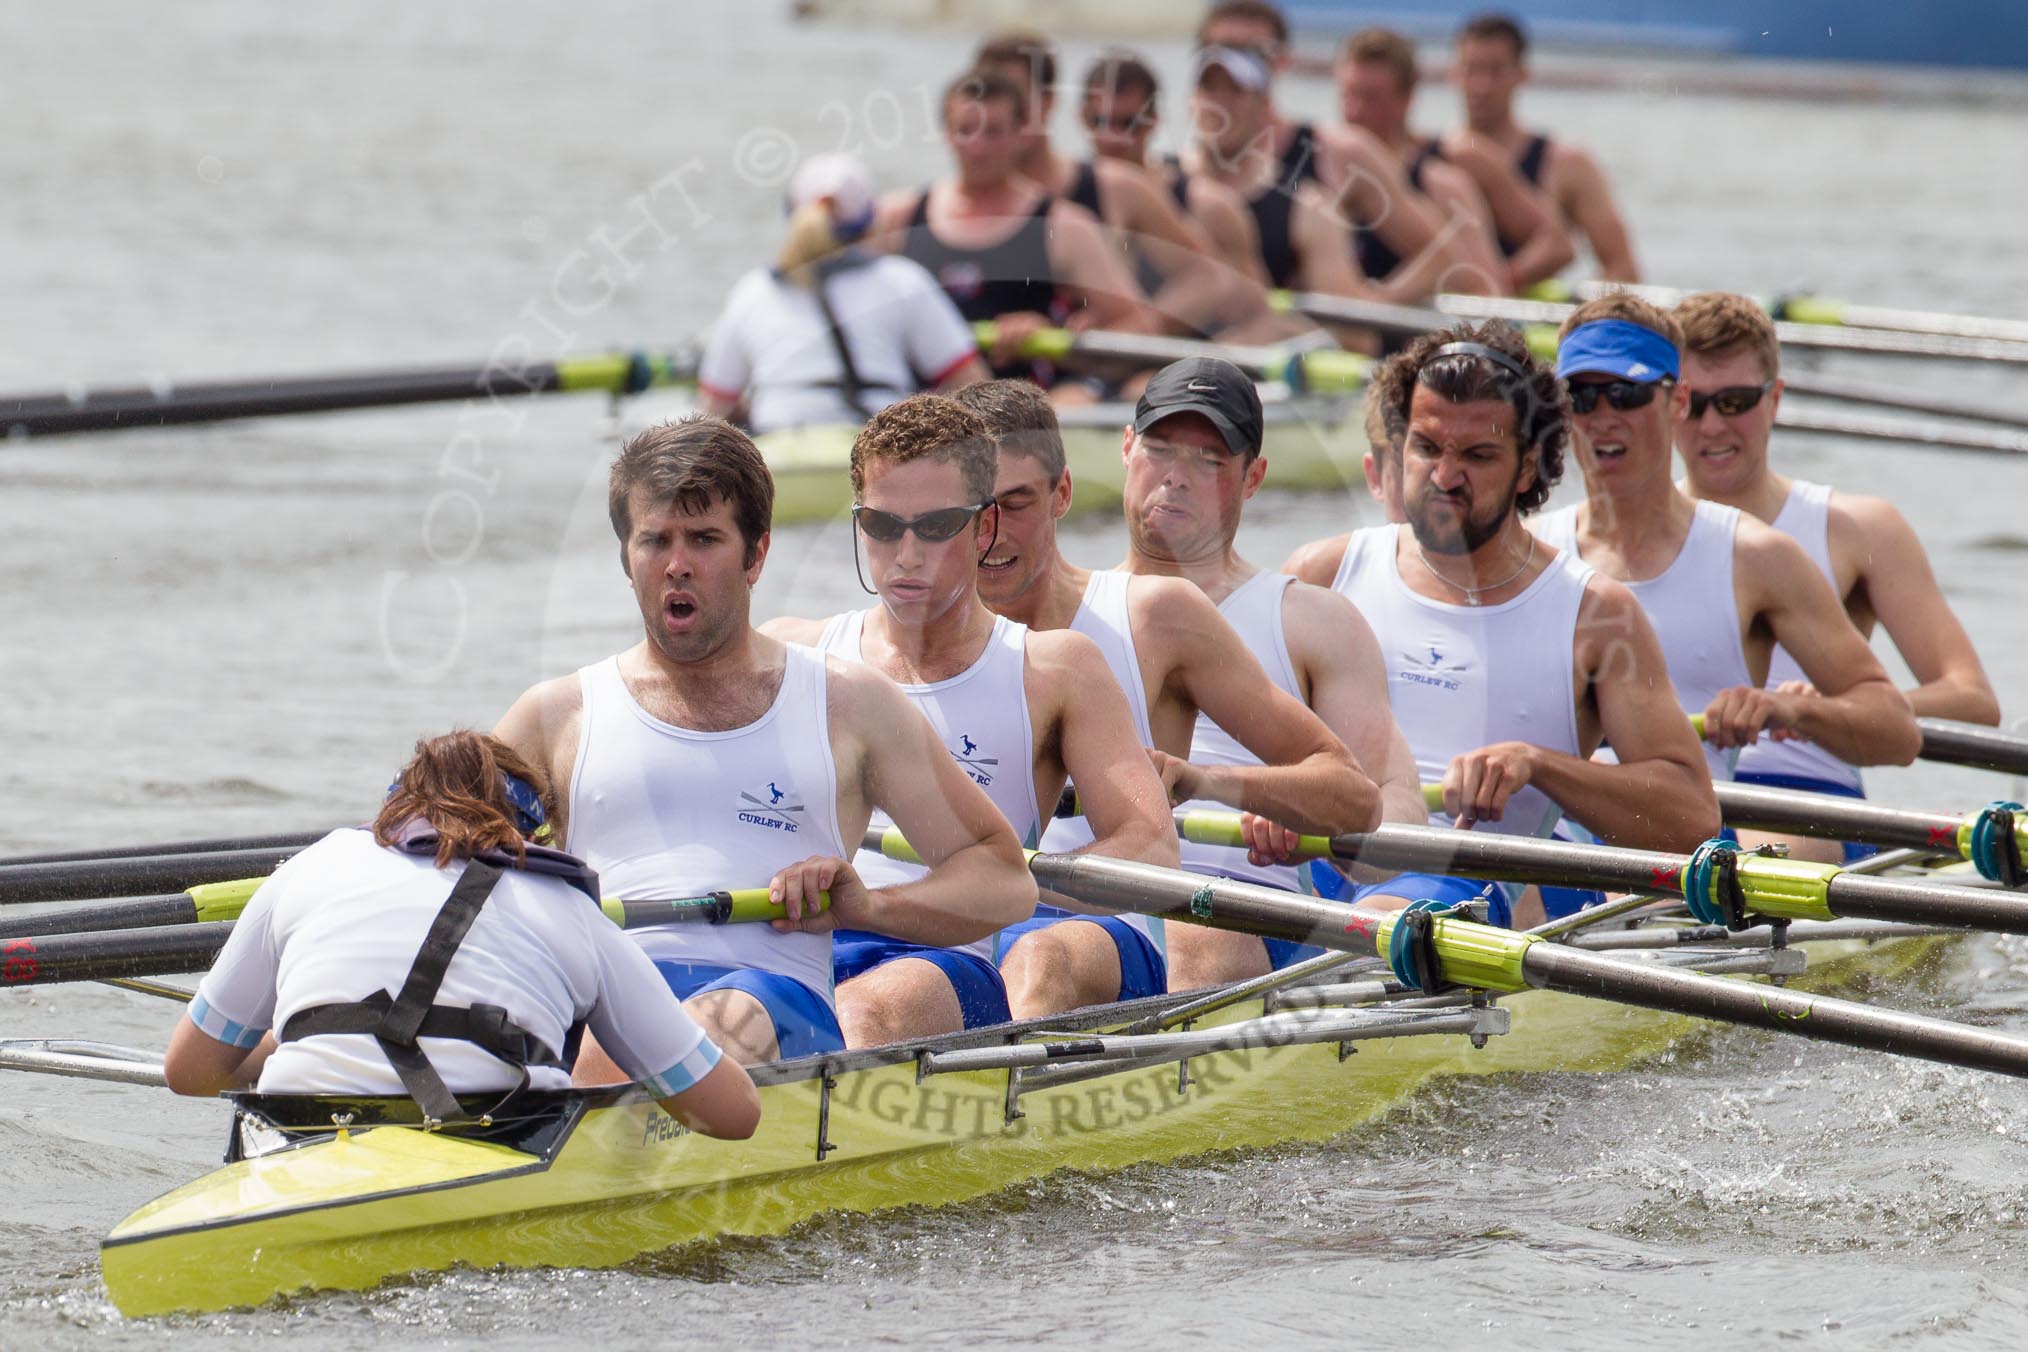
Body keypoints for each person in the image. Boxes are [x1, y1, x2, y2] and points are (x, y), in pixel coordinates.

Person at [493, 417, 1035, 1066]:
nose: (675, 566)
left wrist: (868, 907)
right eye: (654, 541)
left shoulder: (849, 705)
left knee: (701, 1023)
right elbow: (434, 864)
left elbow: (1003, 879)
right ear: (624, 556)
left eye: (704, 539)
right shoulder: (554, 716)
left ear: (756, 555)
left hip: (774, 1009)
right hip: (603, 997)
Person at [953, 378, 1381, 1005]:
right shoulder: (903, 642)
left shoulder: (1155, 616)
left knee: (1039, 960)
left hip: (1130, 920)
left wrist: (1202, 780)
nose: (989, 535)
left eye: (1014, 505)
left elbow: (1354, 798)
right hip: (984, 924)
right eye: (971, 509)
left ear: (1061, 494)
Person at [764, 395, 1175, 1042]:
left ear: (983, 530)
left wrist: (993, 874)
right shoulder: (795, 654)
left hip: (959, 952)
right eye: (880, 525)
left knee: (861, 1016)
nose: (904, 554)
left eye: (933, 527)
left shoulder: (1053, 668)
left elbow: (1150, 848)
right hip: (815, 941)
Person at [1284, 324, 1719, 929]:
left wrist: (1535, 765)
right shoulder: (1322, 574)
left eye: (1478, 456)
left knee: (1380, 914)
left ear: (1527, 467)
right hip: (1312, 868)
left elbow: (1691, 820)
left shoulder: (1595, 616)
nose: (1445, 476)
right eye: (1427, 448)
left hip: (1463, 880)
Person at [164, 731, 762, 1141]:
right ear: (532, 833)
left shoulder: (311, 865)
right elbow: (732, 1117)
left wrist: (301, 1049)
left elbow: (189, 1072)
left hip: (299, 1130)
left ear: (396, 814)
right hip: (492, 1140)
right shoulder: (574, 912)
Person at [1113, 357, 1430, 988]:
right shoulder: (1063, 614)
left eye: (1209, 461)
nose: (1175, 478)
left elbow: (1396, 815)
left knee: (1194, 940)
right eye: (1160, 449)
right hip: (1091, 903)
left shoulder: (1312, 622)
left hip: (1249, 915)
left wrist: (1292, 803)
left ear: (1253, 477)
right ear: (1127, 448)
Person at [1531, 295, 1922, 786]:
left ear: (1677, 402)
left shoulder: (1755, 557)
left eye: (1626, 393)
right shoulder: (1528, 552)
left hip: (1697, 842)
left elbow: (1896, 731)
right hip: (1557, 840)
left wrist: (1789, 710)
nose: (1603, 417)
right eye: (1582, 398)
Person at [1672, 291, 2000, 860]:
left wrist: (1828, 706)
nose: (1711, 425)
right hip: (1670, 799)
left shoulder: (1859, 528)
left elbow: (1973, 700)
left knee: (1742, 857)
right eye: (1692, 404)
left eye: (1734, 401)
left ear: (1775, 400)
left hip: (1807, 805)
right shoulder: (1621, 542)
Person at [868, 69, 1151, 399]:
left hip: (1030, 405)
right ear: (946, 133)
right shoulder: (897, 217)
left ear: (1022, 135)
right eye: (966, 130)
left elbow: (1137, 323)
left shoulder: (1064, 225)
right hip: (925, 404)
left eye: (993, 132)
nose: (978, 146)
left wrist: (1055, 334)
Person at [971, 32, 1243, 340]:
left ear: (1048, 103)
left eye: (1014, 98)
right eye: (986, 100)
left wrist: (1127, 332)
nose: (998, 112)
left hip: (1092, 376)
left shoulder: (1116, 185)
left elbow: (1208, 277)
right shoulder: (945, 206)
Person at [1194, 1, 1469, 303]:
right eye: (1219, 48)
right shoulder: (1179, 168)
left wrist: (1373, 304)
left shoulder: (1340, 151)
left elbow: (1440, 254)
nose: (1233, 60)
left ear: (1282, 60)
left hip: (1306, 341)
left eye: (1253, 51)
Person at [697, 154, 989, 435]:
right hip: (872, 451)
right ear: (870, 220)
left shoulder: (753, 290)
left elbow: (712, 410)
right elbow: (971, 388)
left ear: (791, 218)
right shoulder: (902, 280)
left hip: (779, 454)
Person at [1335, 27, 1571, 294]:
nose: (1354, 112)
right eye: (1348, 94)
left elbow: (1554, 245)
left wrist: (1506, 280)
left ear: (1408, 98)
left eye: (1371, 98)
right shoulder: (1325, 164)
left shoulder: (1454, 163)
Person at [1179, 43, 1376, 328]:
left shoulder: (1309, 207)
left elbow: (1354, 335)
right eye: (1209, 89)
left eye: (1235, 91)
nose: (1220, 103)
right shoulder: (1157, 184)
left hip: (1253, 360)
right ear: (1191, 102)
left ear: (1264, 107)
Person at [1451, 12, 1639, 282]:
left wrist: (1579, 316)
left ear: (1522, 74)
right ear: (1454, 73)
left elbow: (1623, 271)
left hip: (1528, 317)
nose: (1481, 86)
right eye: (1472, 70)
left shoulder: (1569, 164)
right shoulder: (1431, 158)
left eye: (1495, 71)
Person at [1078, 51, 1273, 305]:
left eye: (1129, 123)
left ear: (1155, 119)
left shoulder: (1211, 208)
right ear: (1082, 117)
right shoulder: (1059, 198)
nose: (1115, 138)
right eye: (1101, 121)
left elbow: (1256, 313)